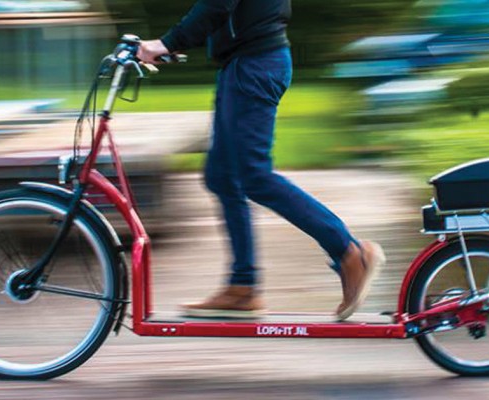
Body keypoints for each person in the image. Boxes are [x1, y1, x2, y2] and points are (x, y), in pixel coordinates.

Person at [137, 0, 385, 321]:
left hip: (253, 65)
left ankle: (350, 252)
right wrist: (172, 44)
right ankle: (242, 288)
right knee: (222, 176)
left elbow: (217, 4)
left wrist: (167, 42)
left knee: (254, 176)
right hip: (243, 64)